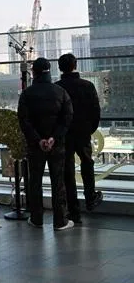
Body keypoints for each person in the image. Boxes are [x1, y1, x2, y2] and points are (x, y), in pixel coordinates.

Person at [17, 57, 74, 231]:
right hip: (56, 145)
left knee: (35, 181)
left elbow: (24, 121)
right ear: (50, 71)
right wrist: (53, 138)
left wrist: (38, 140)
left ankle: (36, 218)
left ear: (33, 73)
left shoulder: (27, 94)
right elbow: (67, 118)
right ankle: (60, 221)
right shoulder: (61, 92)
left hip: (36, 146)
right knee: (58, 182)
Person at [57, 53, 103, 221]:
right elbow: (96, 111)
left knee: (67, 170)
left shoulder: (58, 87)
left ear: (60, 68)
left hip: (65, 134)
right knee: (87, 163)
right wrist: (89, 129)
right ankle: (90, 198)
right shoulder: (87, 86)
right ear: (75, 65)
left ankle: (73, 210)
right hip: (83, 132)